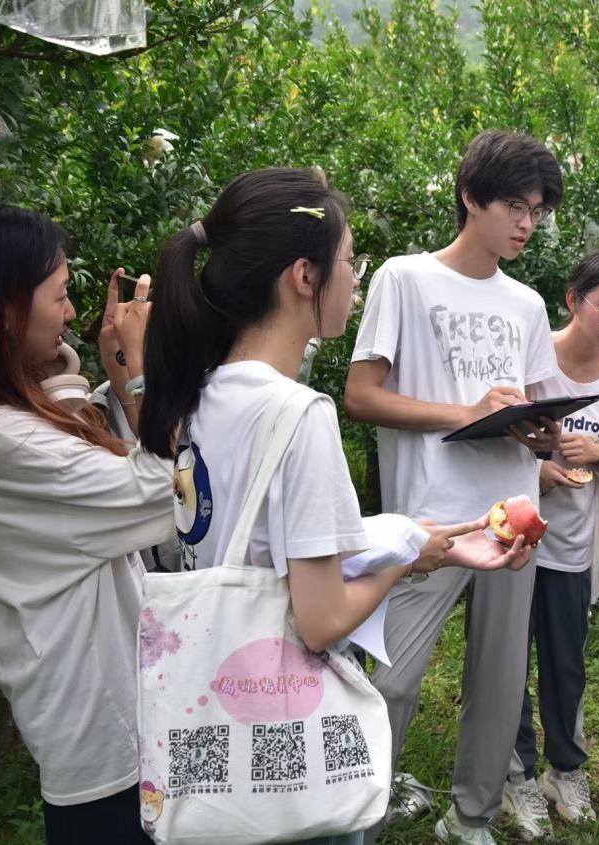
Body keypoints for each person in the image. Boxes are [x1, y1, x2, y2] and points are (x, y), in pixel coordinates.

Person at [139, 167, 529, 845]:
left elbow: (263, 545)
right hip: (284, 748)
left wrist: (403, 536)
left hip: (212, 725)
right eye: (350, 262)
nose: (355, 280)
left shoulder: (201, 394)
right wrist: (407, 558)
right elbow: (319, 621)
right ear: (303, 276)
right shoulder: (299, 414)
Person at [344, 130, 564, 845]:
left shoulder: (527, 304)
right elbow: (361, 395)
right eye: (514, 206)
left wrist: (540, 436)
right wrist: (464, 414)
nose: (526, 223)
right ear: (471, 196)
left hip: (513, 509)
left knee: (499, 680)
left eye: (536, 210)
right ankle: (356, 815)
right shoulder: (403, 279)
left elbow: (532, 404)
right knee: (390, 681)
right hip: (430, 520)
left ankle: (471, 815)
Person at [0, 204, 170, 843]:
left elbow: (116, 468)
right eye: (60, 295)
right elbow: (164, 494)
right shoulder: (8, 442)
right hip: (101, 743)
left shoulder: (16, 419)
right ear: (7, 308)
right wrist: (145, 364)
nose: (70, 313)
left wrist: (116, 374)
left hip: (111, 722)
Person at [500, 251, 599, 839]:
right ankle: (516, 774)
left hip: (573, 548)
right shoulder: (532, 361)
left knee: (567, 664)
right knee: (508, 660)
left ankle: (565, 770)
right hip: (513, 543)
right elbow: (491, 440)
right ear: (573, 300)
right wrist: (534, 472)